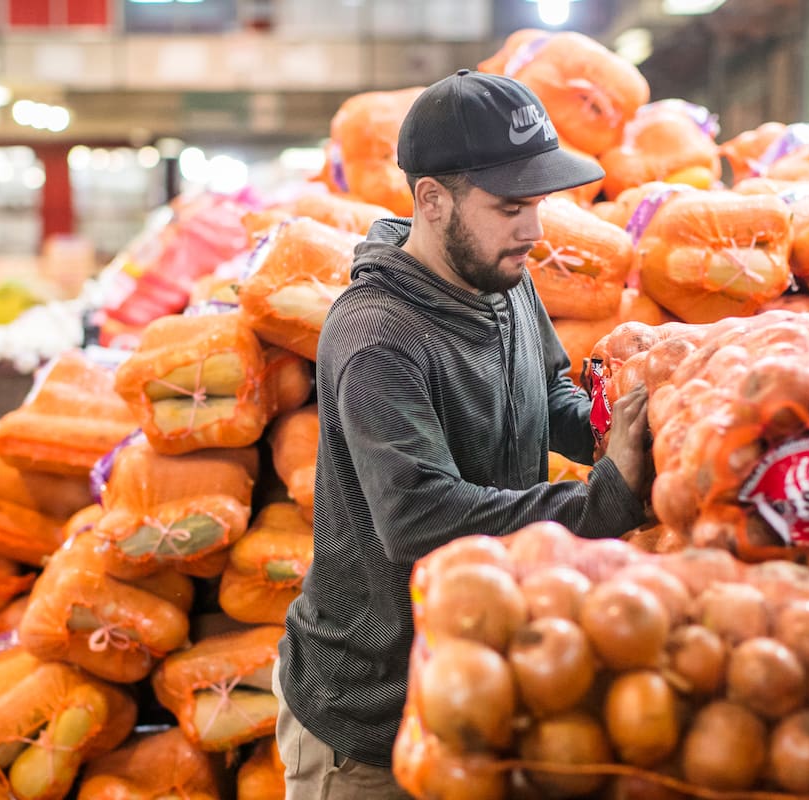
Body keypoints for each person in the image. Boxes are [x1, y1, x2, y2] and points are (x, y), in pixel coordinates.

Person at [273, 68, 651, 797]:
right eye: (511, 206)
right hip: (374, 717)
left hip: (476, 669)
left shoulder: (502, 280)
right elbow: (421, 517)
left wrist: (626, 426)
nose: (535, 231)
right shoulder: (378, 335)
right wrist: (607, 501)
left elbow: (549, 393)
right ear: (432, 199)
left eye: (537, 204)